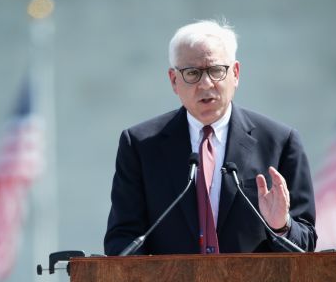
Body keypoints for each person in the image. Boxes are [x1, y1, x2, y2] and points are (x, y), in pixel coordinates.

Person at [104, 19, 317, 255]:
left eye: (216, 71)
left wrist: (281, 226)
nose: (206, 84)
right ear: (174, 80)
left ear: (235, 73)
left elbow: (305, 244)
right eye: (192, 73)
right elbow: (122, 239)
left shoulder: (280, 142)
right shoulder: (140, 145)